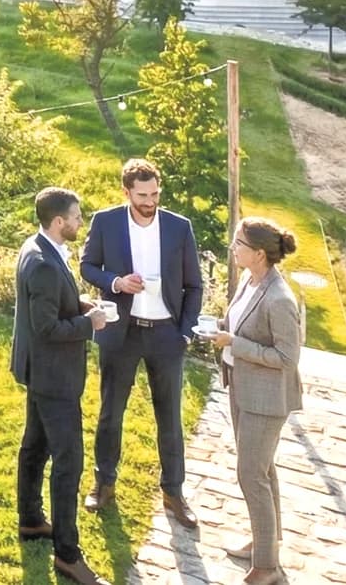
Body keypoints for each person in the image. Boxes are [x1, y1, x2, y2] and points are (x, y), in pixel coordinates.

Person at [79, 158, 202, 525]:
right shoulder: (106, 221)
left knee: (170, 417)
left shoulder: (180, 227)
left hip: (167, 333)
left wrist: (184, 332)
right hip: (122, 330)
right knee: (110, 412)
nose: (150, 200)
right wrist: (116, 282)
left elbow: (194, 285)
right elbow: (87, 266)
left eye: (154, 193)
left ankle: (174, 492)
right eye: (142, 194)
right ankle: (103, 483)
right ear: (127, 192)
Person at [13, 187, 111, 585]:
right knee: (68, 463)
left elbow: (50, 308)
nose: (80, 223)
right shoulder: (43, 265)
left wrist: (81, 305)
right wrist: (92, 324)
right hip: (54, 376)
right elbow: (47, 327)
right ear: (59, 222)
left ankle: (32, 519)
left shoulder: (37, 246)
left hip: (40, 371)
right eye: (76, 217)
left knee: (34, 445)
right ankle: (68, 555)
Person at [207, 217, 304, 585]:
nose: (233, 248)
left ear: (259, 254)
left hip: (265, 399)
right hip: (243, 389)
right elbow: (242, 324)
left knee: (251, 475)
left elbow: (286, 358)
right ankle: (267, 544)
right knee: (263, 471)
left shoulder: (280, 299)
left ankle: (266, 568)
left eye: (238, 244)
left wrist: (235, 344)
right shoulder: (251, 280)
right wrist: (219, 329)